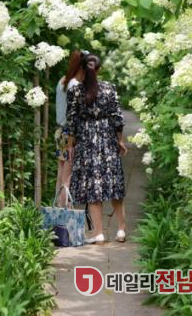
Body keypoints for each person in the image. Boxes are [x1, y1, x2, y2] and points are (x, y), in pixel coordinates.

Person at [66, 52, 128, 244]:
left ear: (82, 69)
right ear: (98, 69)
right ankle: (121, 230)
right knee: (114, 183)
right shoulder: (109, 88)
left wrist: (70, 145)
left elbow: (71, 121)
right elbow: (117, 118)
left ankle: (99, 233)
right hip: (107, 137)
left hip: (86, 140)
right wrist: (120, 140)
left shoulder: (75, 91)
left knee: (93, 185)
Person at [54, 50, 83, 207]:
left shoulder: (62, 80)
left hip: (59, 131)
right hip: (69, 133)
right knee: (67, 177)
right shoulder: (75, 85)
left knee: (61, 174)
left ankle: (59, 209)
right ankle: (65, 211)